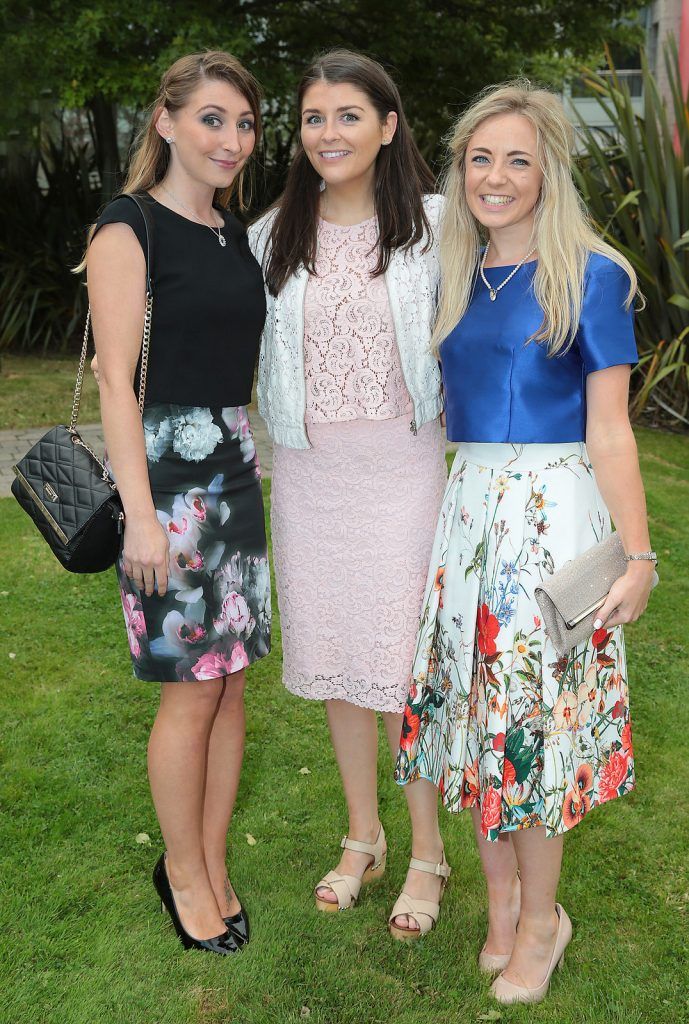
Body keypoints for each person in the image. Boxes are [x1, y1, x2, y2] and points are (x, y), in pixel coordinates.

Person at [394, 81, 656, 1002]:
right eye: (480, 158)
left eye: (518, 161)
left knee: (533, 733)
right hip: (465, 516)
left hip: (550, 521)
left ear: (548, 175)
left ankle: (543, 921)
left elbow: (612, 431)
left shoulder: (589, 274)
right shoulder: (451, 273)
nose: (495, 177)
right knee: (474, 719)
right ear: (458, 167)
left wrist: (638, 555)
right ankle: (500, 908)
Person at [248, 50, 450, 926]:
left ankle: (429, 854)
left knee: (402, 663)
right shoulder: (266, 235)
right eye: (313, 119)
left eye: (347, 116)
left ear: (387, 125)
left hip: (404, 472)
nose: (328, 133)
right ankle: (362, 837)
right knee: (339, 660)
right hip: (309, 477)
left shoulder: (439, 226)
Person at [83, 51, 270, 955]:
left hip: (234, 465)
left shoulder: (233, 233)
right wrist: (143, 514)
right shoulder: (128, 230)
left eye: (242, 124)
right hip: (166, 477)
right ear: (164, 121)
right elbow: (116, 384)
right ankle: (183, 874)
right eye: (211, 119)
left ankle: (212, 854)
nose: (230, 140)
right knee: (189, 696)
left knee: (231, 687)